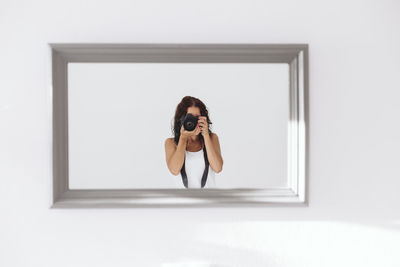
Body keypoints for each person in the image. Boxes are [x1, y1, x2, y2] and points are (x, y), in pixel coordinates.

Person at [164, 96, 223, 188]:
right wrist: (183, 138)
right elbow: (174, 170)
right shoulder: (171, 143)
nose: (193, 121)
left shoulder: (212, 138)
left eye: (197, 118)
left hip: (209, 200)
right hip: (181, 201)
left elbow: (218, 168)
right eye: (189, 117)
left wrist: (206, 135)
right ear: (181, 119)